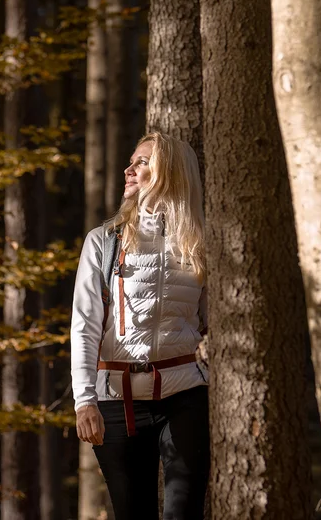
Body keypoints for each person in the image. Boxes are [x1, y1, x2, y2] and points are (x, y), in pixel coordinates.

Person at [71, 132, 210, 520]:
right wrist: (85, 401)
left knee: (184, 512)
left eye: (142, 162)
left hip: (184, 396)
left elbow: (217, 324)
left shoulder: (200, 242)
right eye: (132, 161)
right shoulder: (104, 241)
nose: (129, 170)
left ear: (171, 172)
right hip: (117, 399)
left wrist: (210, 371)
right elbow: (84, 326)